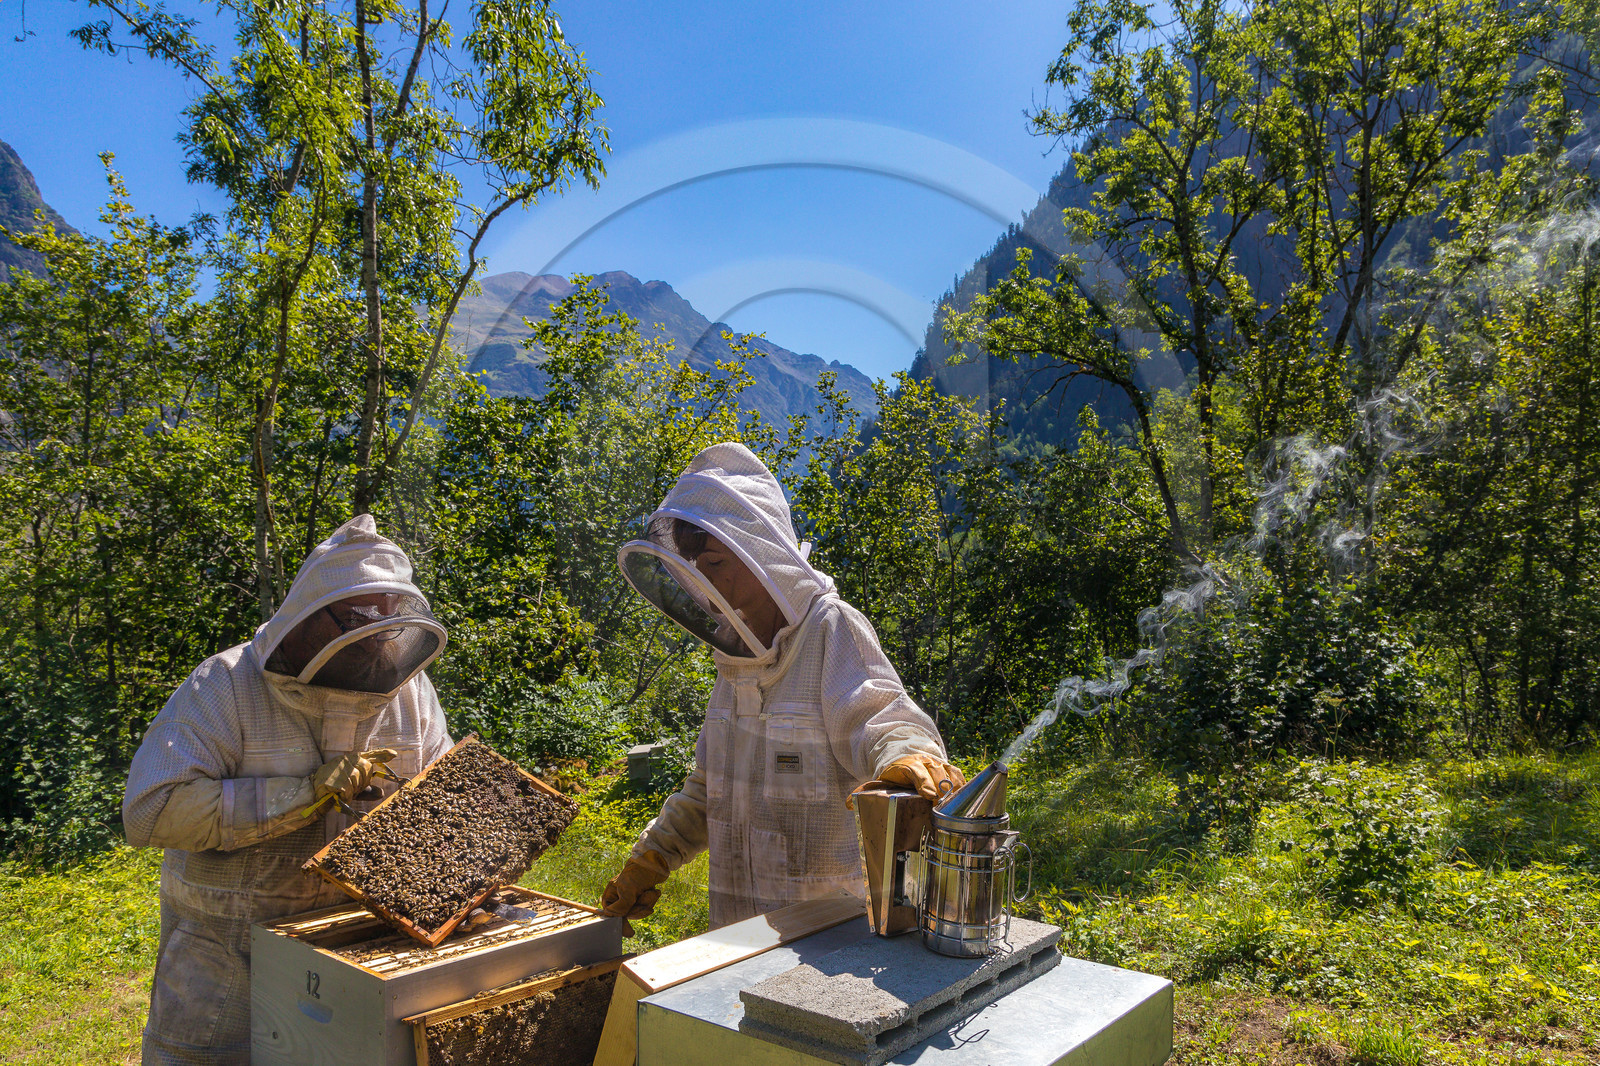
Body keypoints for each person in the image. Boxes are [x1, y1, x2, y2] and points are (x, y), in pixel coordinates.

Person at [122, 515, 453, 1065]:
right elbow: (151, 811)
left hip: (354, 944)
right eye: (359, 619)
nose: (375, 637)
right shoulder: (226, 684)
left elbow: (441, 797)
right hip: (228, 950)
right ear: (310, 616)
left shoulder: (410, 693)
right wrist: (301, 794)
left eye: (388, 622)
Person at [601, 442, 965, 930]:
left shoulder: (828, 629)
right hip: (735, 937)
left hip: (827, 939)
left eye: (715, 563)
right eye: (696, 570)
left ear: (760, 553)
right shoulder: (734, 657)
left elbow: (880, 715)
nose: (705, 587)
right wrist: (652, 857)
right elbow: (713, 787)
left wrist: (907, 756)